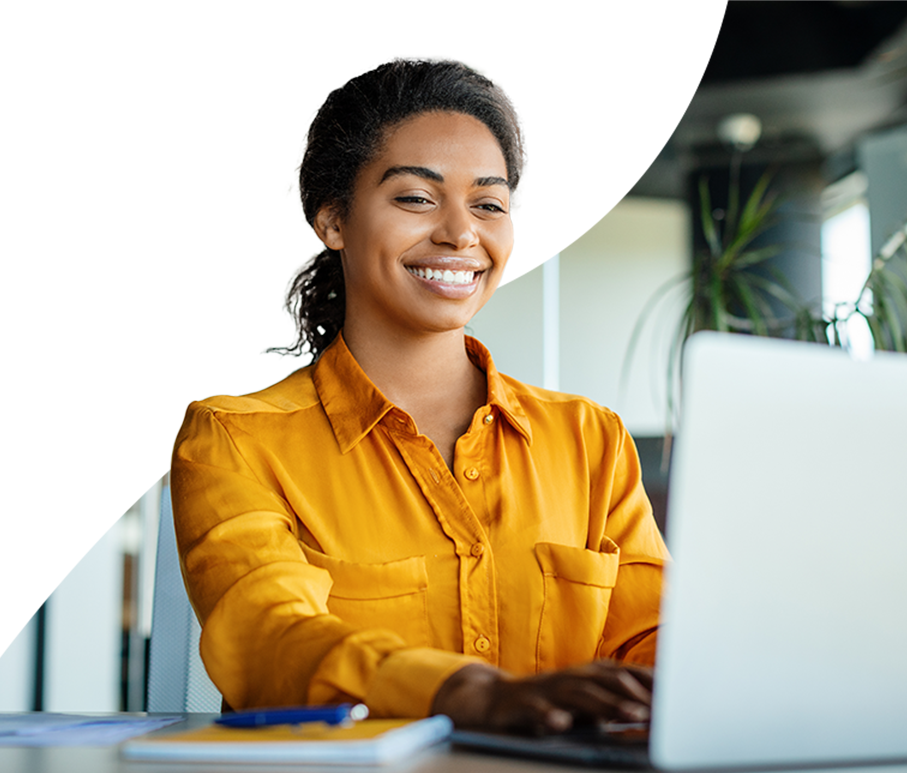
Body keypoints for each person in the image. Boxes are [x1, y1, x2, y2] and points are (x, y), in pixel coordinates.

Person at [170, 58, 670, 733]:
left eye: (488, 204)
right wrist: (466, 694)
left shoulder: (589, 440)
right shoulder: (235, 439)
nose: (461, 233)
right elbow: (269, 637)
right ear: (332, 220)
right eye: (416, 198)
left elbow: (655, 638)